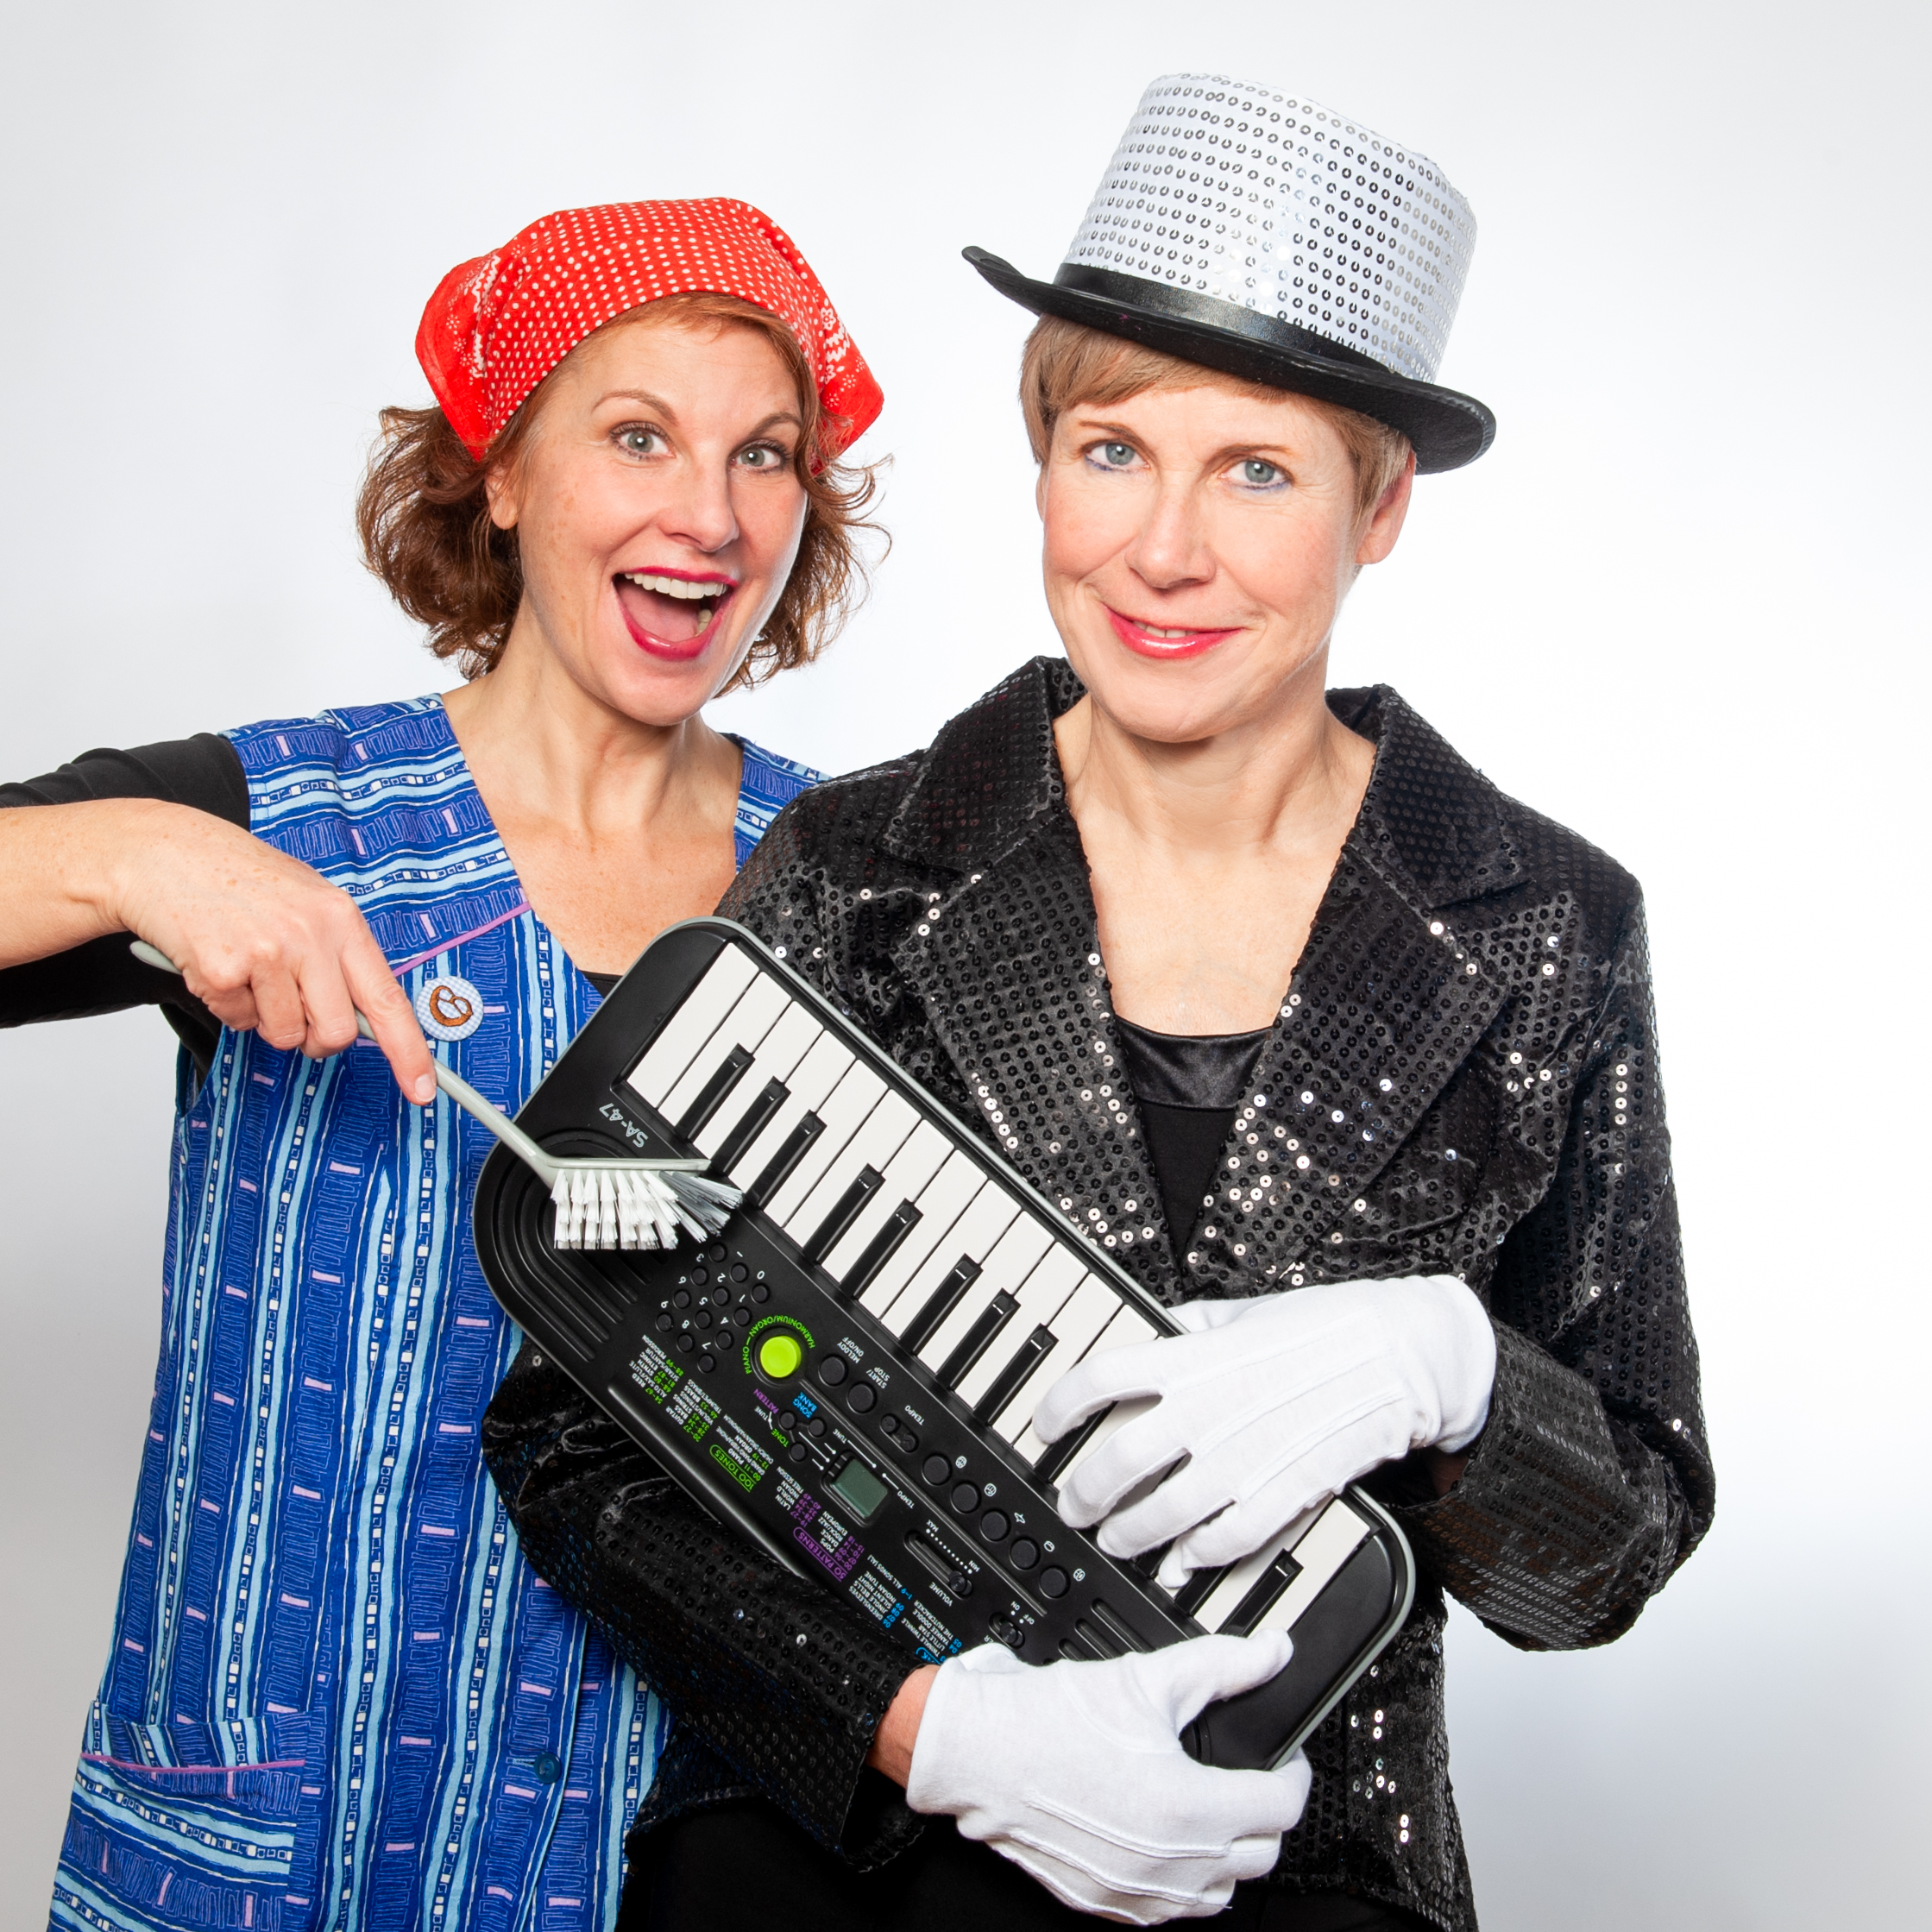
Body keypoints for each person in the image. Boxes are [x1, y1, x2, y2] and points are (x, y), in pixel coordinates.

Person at [483, 77, 1714, 1932]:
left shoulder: (1545, 922)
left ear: (1379, 505)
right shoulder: (854, 864)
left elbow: (1607, 1560)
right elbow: (575, 1436)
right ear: (1043, 460)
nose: (1163, 551)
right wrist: (925, 1729)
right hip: (835, 1869)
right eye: (1115, 450)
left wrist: (1459, 1376)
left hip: (1302, 1870)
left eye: (1260, 472)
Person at [0, 197, 883, 1930]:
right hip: (268, 1848)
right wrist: (134, 854)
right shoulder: (283, 812)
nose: (708, 516)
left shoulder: (860, 887)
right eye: (637, 436)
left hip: (675, 1863)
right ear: (501, 470)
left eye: (763, 455)